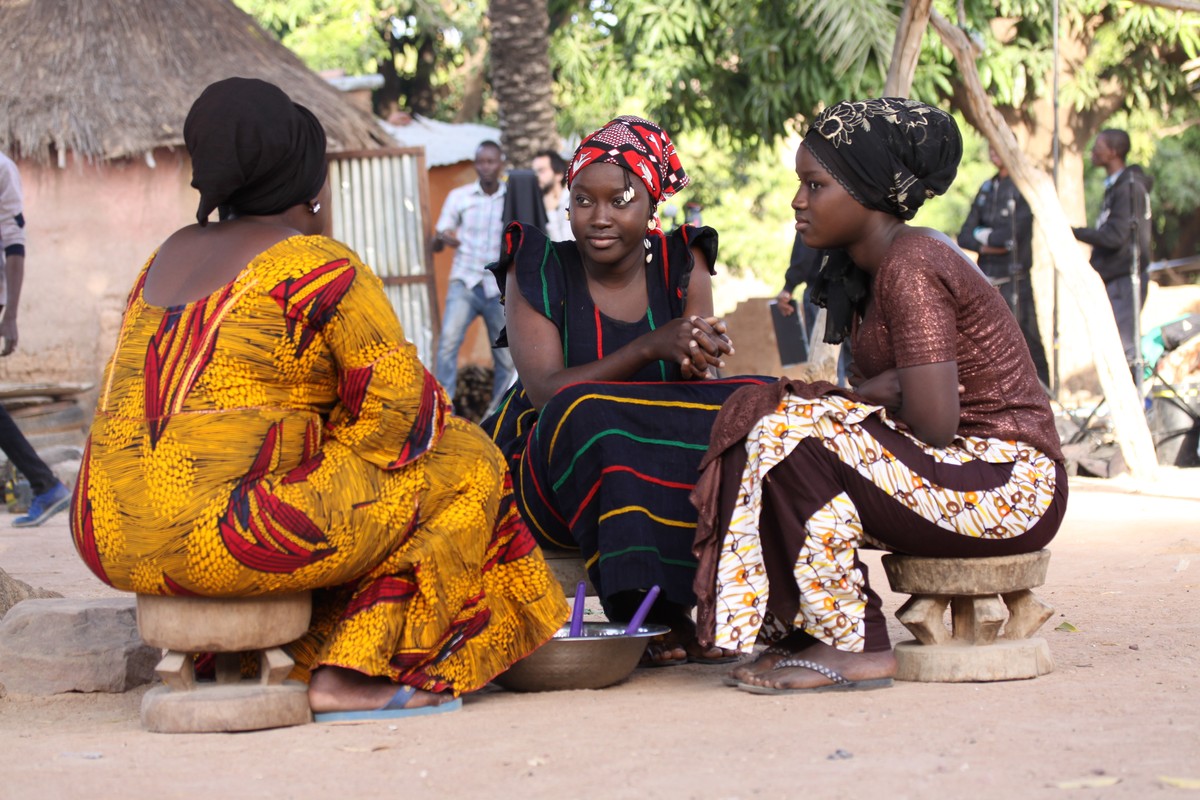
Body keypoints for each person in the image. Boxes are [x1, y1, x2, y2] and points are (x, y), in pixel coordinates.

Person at [68, 78, 568, 721]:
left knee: (332, 473)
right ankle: (349, 671)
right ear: (306, 184)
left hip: (108, 528)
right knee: (466, 459)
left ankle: (285, 648)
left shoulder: (158, 259)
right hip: (226, 535)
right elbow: (405, 417)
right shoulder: (317, 265)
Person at [691, 98, 1068, 694]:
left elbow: (936, 424)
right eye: (800, 185)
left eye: (814, 186)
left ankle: (855, 644)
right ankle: (801, 631)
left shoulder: (911, 262)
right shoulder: (857, 275)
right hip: (949, 474)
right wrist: (874, 393)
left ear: (867, 192)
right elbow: (890, 402)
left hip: (1009, 484)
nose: (798, 201)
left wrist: (867, 397)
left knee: (791, 432)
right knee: (769, 421)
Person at [481, 116, 769, 665]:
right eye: (583, 200)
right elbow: (546, 394)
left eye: (621, 199)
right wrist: (651, 346)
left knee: (757, 400)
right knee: (589, 414)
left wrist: (697, 354)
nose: (600, 217)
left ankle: (715, 603)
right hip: (551, 470)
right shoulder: (539, 267)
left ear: (651, 203)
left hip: (655, 453)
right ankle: (643, 608)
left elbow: (694, 386)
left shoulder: (682, 262)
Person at [0, 150, 71, 528]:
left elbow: (14, 242)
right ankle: (45, 484)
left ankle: (46, 485)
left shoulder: (2, 169)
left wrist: (10, 314)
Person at [957, 147, 1051, 386]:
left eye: (997, 145)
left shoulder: (1021, 189)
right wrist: (987, 240)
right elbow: (965, 236)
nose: (993, 151)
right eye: (989, 146)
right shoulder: (987, 188)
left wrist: (983, 237)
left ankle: (1044, 392)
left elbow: (1010, 240)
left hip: (1015, 278)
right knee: (986, 340)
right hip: (987, 277)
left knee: (1026, 335)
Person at [432, 140, 515, 410]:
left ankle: (498, 412)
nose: (486, 167)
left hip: (497, 289)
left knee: (506, 356)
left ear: (500, 163)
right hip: (465, 282)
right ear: (476, 164)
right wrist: (445, 237)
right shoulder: (460, 196)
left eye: (491, 161)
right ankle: (445, 409)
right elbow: (442, 230)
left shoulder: (511, 198)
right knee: (447, 345)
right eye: (481, 162)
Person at [1072, 129, 1154, 373]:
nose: (1093, 151)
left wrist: (1077, 233)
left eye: (1099, 146)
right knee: (1114, 347)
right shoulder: (1116, 187)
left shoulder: (1129, 187)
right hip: (1114, 279)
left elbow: (1115, 235)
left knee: (1125, 348)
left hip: (1125, 279)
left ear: (1113, 152)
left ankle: (1136, 404)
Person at [531, 149, 574, 242]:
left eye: (541, 171)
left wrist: (550, 212)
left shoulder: (571, 202)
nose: (536, 176)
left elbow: (563, 243)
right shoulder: (537, 200)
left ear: (559, 174)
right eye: (534, 172)